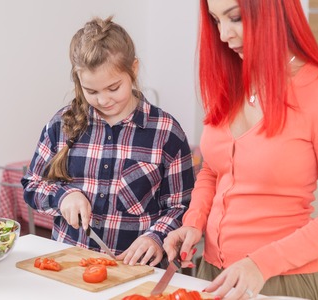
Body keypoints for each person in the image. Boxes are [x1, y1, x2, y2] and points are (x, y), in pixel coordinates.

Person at [163, 0, 318, 299]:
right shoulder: (230, 80)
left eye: (234, 18)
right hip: (212, 275)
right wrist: (193, 223)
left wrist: (260, 264)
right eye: (215, 21)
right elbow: (212, 169)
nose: (223, 35)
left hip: (277, 280)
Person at [21, 16, 195, 268]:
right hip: (69, 268)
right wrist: (62, 196)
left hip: (135, 272)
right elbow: (32, 185)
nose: (103, 100)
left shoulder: (166, 132)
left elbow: (181, 206)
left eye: (113, 88)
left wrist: (156, 238)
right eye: (91, 91)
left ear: (133, 69)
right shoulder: (61, 124)